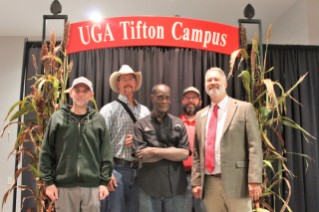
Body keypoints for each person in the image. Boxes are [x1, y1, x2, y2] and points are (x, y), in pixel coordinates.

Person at [191, 67, 263, 212]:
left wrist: (254, 180)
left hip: (238, 182)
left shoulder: (244, 109)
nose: (212, 83)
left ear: (225, 84)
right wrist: (196, 181)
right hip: (210, 184)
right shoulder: (200, 115)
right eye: (209, 80)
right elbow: (198, 153)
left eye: (216, 79)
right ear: (205, 85)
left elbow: (254, 146)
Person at [39, 76, 113, 212]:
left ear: (91, 95)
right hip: (64, 187)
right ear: (71, 93)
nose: (80, 94)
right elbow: (46, 152)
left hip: (92, 187)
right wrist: (49, 183)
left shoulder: (98, 120)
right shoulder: (57, 118)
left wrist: (104, 182)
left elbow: (106, 154)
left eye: (85, 91)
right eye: (77, 90)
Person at [100, 64, 150, 212]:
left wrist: (139, 141)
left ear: (135, 83)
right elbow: (99, 144)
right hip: (116, 171)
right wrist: (106, 173)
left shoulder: (145, 111)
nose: (128, 82)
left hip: (139, 173)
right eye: (124, 79)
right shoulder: (108, 110)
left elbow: (153, 142)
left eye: (131, 79)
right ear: (118, 83)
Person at [133, 84, 190, 212]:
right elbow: (141, 156)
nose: (164, 101)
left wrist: (153, 150)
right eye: (160, 97)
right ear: (152, 98)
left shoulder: (178, 124)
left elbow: (184, 154)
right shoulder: (140, 125)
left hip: (176, 187)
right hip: (149, 188)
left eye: (167, 98)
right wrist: (172, 152)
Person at [179, 86, 205, 212]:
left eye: (194, 98)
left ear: (200, 102)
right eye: (187, 98)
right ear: (182, 101)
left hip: (204, 178)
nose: (190, 100)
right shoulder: (175, 123)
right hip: (181, 178)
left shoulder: (208, 123)